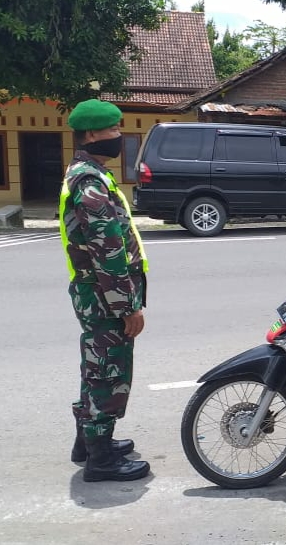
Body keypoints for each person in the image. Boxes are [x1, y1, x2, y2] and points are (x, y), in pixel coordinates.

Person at [61, 99, 150, 482]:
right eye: (113, 130)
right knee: (109, 372)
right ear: (92, 134)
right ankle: (101, 461)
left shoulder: (86, 173)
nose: (118, 136)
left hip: (93, 293)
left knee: (95, 366)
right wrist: (128, 306)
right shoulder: (91, 182)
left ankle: (88, 442)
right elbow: (107, 252)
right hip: (105, 295)